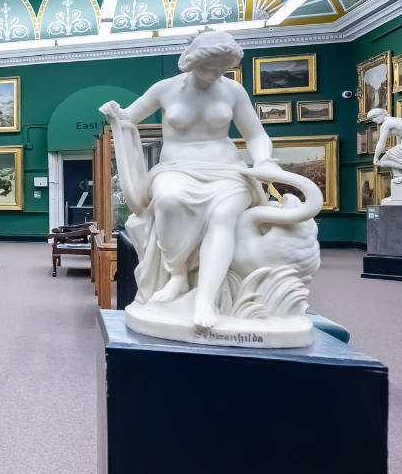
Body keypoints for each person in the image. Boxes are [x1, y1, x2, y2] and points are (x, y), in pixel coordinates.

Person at [100, 31, 276, 331]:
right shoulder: (165, 89)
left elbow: (255, 134)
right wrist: (116, 112)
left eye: (223, 67)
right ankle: (178, 276)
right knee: (167, 201)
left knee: (223, 217)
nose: (216, 73)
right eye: (210, 66)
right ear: (192, 60)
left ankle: (204, 299)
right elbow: (131, 116)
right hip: (176, 168)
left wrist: (262, 160)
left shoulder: (233, 91)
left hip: (227, 170)